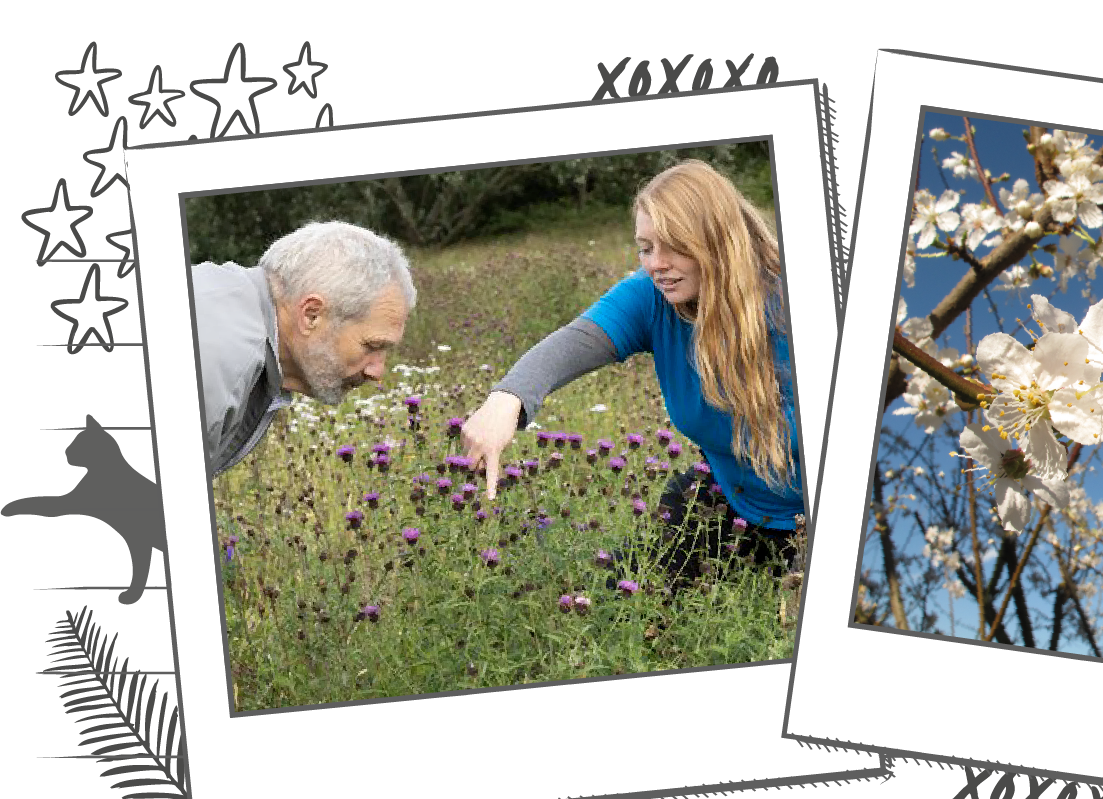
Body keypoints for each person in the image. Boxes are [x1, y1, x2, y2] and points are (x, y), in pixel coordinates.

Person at [462, 160, 801, 583]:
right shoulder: (652, 297)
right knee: (623, 595)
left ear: (718, 241)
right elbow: (569, 345)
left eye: (674, 244)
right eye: (646, 248)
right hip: (729, 507)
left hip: (817, 524)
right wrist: (504, 402)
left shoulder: (794, 307)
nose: (657, 263)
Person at [194, 220, 417, 476]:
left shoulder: (226, 299)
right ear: (311, 315)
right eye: (372, 346)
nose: (377, 372)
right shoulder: (221, 365)